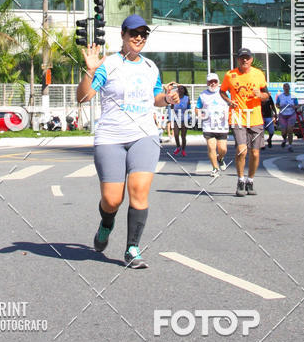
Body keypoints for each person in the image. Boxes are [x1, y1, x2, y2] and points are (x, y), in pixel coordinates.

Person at [76, 14, 178, 269]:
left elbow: (155, 97)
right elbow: (84, 97)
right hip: (110, 137)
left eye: (143, 34)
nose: (139, 38)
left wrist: (167, 99)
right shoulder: (108, 64)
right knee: (112, 200)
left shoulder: (151, 67)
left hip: (144, 135)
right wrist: (90, 71)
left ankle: (132, 248)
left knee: (139, 193)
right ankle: (106, 223)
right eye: (133, 33)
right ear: (122, 35)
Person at [220, 48, 269, 197]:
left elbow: (267, 95)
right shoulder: (230, 75)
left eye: (247, 58)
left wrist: (260, 95)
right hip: (238, 116)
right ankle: (240, 180)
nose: (245, 60)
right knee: (242, 150)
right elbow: (222, 91)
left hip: (255, 118)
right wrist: (229, 101)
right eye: (242, 58)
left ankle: (250, 180)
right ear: (238, 60)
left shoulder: (258, 74)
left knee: (255, 153)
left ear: (251, 59)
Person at [196, 72, 229, 177]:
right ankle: (215, 168)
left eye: (215, 81)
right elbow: (197, 108)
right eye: (211, 81)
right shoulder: (203, 95)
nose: (213, 83)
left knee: (223, 149)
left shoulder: (224, 94)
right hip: (208, 125)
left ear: (218, 82)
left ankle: (220, 158)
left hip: (222, 126)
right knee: (211, 147)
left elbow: (231, 105)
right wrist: (200, 114)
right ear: (207, 83)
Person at [276, 83, 298, 151]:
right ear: (283, 88)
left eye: (287, 87)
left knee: (290, 130)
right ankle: (284, 139)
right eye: (285, 87)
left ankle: (290, 145)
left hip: (291, 114)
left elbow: (297, 105)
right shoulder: (280, 96)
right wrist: (280, 106)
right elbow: (277, 104)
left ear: (289, 88)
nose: (286, 89)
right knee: (284, 131)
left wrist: (293, 106)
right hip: (283, 114)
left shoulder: (293, 96)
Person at [170, 84, 190, 156]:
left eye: (182, 89)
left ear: (184, 90)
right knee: (176, 134)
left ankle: (183, 150)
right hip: (176, 119)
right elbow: (172, 107)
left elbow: (188, 107)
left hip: (185, 119)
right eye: (179, 89)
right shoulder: (174, 98)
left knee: (183, 136)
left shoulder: (187, 98)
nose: (180, 90)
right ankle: (178, 147)